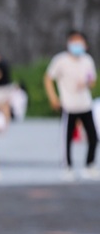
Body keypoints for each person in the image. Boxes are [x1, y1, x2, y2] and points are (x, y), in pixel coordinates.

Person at [44, 29, 99, 181]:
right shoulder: (60, 60)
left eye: (80, 42)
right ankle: (66, 167)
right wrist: (53, 98)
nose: (77, 45)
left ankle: (89, 165)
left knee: (93, 137)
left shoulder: (87, 60)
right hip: (69, 105)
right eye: (74, 41)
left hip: (85, 104)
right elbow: (48, 78)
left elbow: (92, 80)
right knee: (66, 139)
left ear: (86, 45)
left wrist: (87, 82)